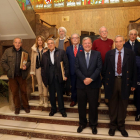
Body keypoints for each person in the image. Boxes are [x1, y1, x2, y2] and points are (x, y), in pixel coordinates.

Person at [102, 35, 137, 137]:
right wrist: (105, 83)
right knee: (112, 105)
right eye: (116, 42)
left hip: (125, 82)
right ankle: (112, 126)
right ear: (114, 43)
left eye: (120, 41)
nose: (118, 43)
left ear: (124, 42)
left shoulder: (130, 53)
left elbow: (134, 70)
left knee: (123, 105)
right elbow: (104, 70)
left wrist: (133, 83)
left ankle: (121, 126)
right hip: (112, 82)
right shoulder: (109, 54)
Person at [75, 37, 102, 134]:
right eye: (85, 43)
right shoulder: (78, 54)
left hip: (93, 84)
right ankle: (82, 123)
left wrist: (91, 79)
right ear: (82, 44)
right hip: (81, 85)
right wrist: (84, 79)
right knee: (81, 106)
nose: (87, 45)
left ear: (91, 44)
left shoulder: (97, 54)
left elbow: (99, 68)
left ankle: (93, 125)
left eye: (89, 43)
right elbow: (76, 69)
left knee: (93, 106)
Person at [1, 37, 31, 115]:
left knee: (24, 91)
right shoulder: (7, 51)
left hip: (22, 75)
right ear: (13, 43)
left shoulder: (25, 52)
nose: (17, 44)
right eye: (16, 42)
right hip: (12, 76)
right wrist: (8, 69)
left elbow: (28, 62)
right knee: (14, 92)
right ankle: (17, 107)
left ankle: (26, 106)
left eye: (19, 42)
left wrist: (26, 66)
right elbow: (3, 61)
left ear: (21, 44)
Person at [41, 38, 69, 117]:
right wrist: (44, 78)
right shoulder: (44, 55)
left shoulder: (61, 52)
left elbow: (66, 64)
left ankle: (62, 110)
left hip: (59, 76)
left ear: (54, 44)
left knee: (60, 94)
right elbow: (42, 67)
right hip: (49, 77)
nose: (50, 45)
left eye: (51, 43)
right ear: (47, 45)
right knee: (52, 95)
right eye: (49, 43)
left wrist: (66, 75)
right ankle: (53, 109)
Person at [92, 26, 113, 106]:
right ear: (100, 33)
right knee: (97, 84)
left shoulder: (111, 41)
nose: (104, 33)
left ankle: (107, 100)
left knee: (107, 84)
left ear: (107, 32)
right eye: (102, 31)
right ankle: (98, 100)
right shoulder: (95, 42)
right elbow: (93, 54)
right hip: (98, 67)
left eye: (105, 31)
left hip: (108, 67)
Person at [124, 29, 140, 121]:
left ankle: (136, 103)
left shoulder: (139, 44)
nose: (133, 36)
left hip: (137, 70)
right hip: (127, 69)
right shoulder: (125, 45)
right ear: (129, 35)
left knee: (137, 89)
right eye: (131, 34)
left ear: (136, 35)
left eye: (135, 34)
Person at [30, 35, 48, 107]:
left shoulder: (47, 48)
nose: (40, 41)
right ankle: (41, 99)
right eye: (38, 40)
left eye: (41, 40)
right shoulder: (34, 49)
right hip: (37, 69)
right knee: (39, 84)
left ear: (43, 41)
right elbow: (32, 61)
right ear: (37, 41)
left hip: (45, 69)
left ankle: (46, 100)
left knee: (45, 85)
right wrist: (32, 71)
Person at [66, 33, 84, 107]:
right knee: (73, 86)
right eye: (73, 38)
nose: (75, 39)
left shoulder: (83, 47)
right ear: (71, 40)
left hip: (82, 71)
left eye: (76, 38)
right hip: (72, 71)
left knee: (81, 87)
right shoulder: (68, 48)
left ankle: (81, 100)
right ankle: (73, 100)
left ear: (79, 39)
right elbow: (66, 60)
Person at [55, 27, 71, 96]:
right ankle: (62, 91)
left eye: (63, 31)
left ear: (65, 32)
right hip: (58, 61)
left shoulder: (69, 40)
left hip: (67, 60)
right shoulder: (56, 41)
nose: (61, 32)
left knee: (67, 75)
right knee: (60, 76)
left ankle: (68, 90)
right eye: (60, 31)